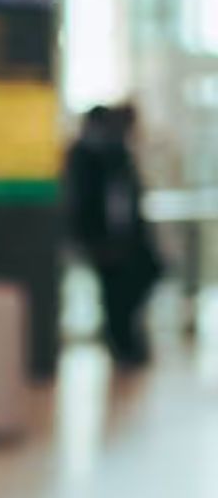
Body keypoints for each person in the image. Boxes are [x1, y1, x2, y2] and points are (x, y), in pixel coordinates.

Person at [63, 103, 161, 366]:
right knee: (113, 293)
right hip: (102, 239)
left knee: (134, 282)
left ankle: (126, 342)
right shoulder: (86, 155)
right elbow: (79, 201)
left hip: (125, 238)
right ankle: (122, 345)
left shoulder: (117, 153)